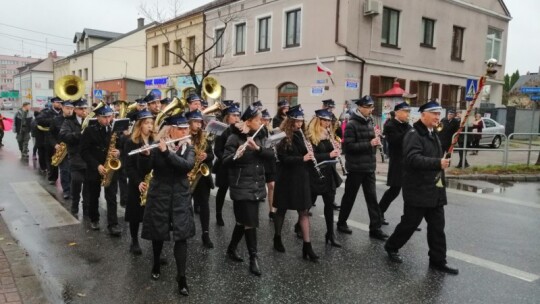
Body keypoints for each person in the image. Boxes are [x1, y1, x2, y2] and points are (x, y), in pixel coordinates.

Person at [384, 100, 459, 275]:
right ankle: (391, 246)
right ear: (423, 115)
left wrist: (443, 158)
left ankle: (438, 260)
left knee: (437, 228)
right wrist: (437, 162)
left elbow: (434, 156)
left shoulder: (432, 132)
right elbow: (412, 159)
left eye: (439, 114)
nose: (437, 117)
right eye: (434, 114)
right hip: (417, 190)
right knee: (409, 224)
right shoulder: (413, 134)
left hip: (434, 189)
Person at [139, 113, 195, 296]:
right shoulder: (157, 146)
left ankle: (182, 277)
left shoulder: (188, 148)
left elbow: (186, 166)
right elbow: (146, 169)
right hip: (159, 194)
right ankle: (156, 262)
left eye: (186, 128)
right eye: (181, 128)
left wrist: (166, 152)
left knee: (181, 236)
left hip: (180, 195)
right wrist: (147, 156)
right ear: (171, 129)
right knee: (158, 232)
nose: (186, 131)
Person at [222, 105, 274, 276]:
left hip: (257, 184)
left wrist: (257, 149)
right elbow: (226, 161)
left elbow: (270, 155)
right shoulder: (234, 137)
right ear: (249, 121)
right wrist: (238, 153)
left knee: (242, 221)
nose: (262, 122)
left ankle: (231, 248)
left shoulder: (261, 135)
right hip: (241, 185)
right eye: (258, 120)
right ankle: (254, 258)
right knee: (250, 222)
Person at [336, 96, 388, 241]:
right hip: (356, 167)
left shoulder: (370, 121)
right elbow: (348, 148)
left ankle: (375, 228)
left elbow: (370, 143)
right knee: (349, 197)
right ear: (360, 107)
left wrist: (376, 142)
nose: (371, 110)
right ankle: (341, 222)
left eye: (372, 107)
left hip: (369, 166)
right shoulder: (352, 124)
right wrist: (369, 143)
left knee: (372, 198)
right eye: (368, 107)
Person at [273, 105, 320, 261]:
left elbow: (308, 153)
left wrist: (311, 154)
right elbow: (283, 158)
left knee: (304, 211)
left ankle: (307, 246)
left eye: (301, 121)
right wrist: (302, 158)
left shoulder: (303, 134)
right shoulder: (282, 136)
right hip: (287, 177)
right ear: (290, 121)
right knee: (282, 210)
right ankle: (277, 237)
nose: (299, 124)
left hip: (301, 177)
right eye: (297, 121)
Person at [80, 105, 122, 236]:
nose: (108, 120)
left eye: (110, 117)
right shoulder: (89, 131)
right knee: (94, 196)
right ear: (98, 117)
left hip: (110, 168)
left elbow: (122, 147)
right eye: (104, 117)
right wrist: (97, 165)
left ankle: (113, 224)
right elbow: (84, 152)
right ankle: (94, 219)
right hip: (95, 169)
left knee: (112, 198)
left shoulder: (115, 130)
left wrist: (119, 152)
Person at [306, 108, 343, 247]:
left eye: (329, 120)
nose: (328, 123)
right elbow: (311, 156)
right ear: (318, 120)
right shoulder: (310, 135)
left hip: (329, 173)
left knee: (329, 205)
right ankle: (299, 226)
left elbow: (332, 151)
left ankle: (330, 234)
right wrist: (329, 155)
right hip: (315, 174)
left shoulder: (329, 134)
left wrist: (337, 149)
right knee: (309, 203)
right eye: (325, 120)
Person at [378, 103, 414, 225]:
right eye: (405, 112)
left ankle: (408, 219)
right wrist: (411, 133)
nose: (408, 114)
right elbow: (396, 141)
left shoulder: (407, 125)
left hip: (408, 162)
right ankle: (379, 212)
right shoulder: (390, 125)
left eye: (408, 112)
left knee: (409, 192)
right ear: (397, 112)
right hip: (397, 162)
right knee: (394, 190)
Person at [123, 109, 154, 255]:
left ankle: (156, 245)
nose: (150, 126)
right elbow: (128, 166)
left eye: (151, 123)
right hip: (138, 182)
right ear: (140, 125)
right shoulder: (131, 142)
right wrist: (138, 182)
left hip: (153, 182)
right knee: (135, 214)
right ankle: (134, 241)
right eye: (147, 123)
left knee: (154, 215)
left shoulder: (155, 141)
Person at [186, 109, 215, 249]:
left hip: (201, 176)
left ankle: (205, 233)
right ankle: (186, 230)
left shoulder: (203, 137)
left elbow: (212, 155)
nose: (199, 125)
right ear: (189, 123)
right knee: (185, 205)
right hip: (187, 175)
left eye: (200, 122)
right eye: (196, 122)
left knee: (204, 205)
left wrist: (206, 156)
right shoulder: (183, 136)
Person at [59, 98, 90, 216]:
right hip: (75, 158)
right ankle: (74, 205)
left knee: (88, 185)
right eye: (81, 109)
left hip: (88, 159)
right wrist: (79, 134)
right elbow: (63, 135)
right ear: (75, 110)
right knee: (76, 183)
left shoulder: (90, 121)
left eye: (85, 108)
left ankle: (86, 208)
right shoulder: (68, 122)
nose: (84, 111)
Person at [213, 101, 241, 226]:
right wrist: (226, 159)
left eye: (238, 115)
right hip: (225, 166)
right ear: (227, 117)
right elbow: (217, 150)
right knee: (222, 190)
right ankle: (218, 214)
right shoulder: (222, 130)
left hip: (236, 165)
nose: (237, 118)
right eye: (234, 115)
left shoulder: (239, 130)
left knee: (237, 192)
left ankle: (239, 216)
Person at [36, 97, 63, 184]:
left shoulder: (64, 112)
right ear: (52, 103)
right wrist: (55, 121)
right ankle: (52, 177)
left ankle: (65, 181)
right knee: (52, 159)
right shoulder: (46, 112)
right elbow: (39, 120)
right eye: (57, 102)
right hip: (51, 138)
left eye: (60, 102)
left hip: (62, 138)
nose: (59, 104)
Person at [50, 101, 74, 199]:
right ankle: (67, 190)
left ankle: (73, 190)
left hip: (74, 149)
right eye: (67, 108)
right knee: (64, 171)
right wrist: (55, 144)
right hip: (62, 149)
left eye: (71, 108)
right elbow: (50, 134)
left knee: (73, 172)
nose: (69, 110)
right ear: (63, 108)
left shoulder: (75, 120)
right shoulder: (56, 120)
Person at [261, 109, 277, 220]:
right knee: (258, 187)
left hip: (270, 161)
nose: (266, 122)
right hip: (261, 161)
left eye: (268, 120)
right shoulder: (257, 131)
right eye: (264, 120)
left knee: (271, 186)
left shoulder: (271, 131)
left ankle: (272, 211)